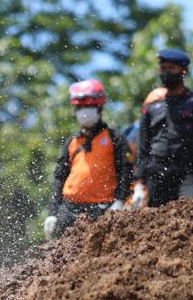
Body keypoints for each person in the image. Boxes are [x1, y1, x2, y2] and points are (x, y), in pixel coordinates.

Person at [130, 49, 193, 209]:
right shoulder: (152, 104)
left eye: (172, 69)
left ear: (184, 71)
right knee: (153, 223)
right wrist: (138, 184)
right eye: (163, 68)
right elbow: (143, 147)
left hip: (189, 173)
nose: (166, 73)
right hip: (157, 174)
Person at [45, 79, 131, 240]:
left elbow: (126, 174)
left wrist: (119, 202)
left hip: (101, 211)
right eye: (80, 107)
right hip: (68, 211)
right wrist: (52, 213)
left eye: (89, 106)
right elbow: (59, 178)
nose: (84, 111)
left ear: (100, 108)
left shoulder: (115, 139)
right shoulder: (71, 142)